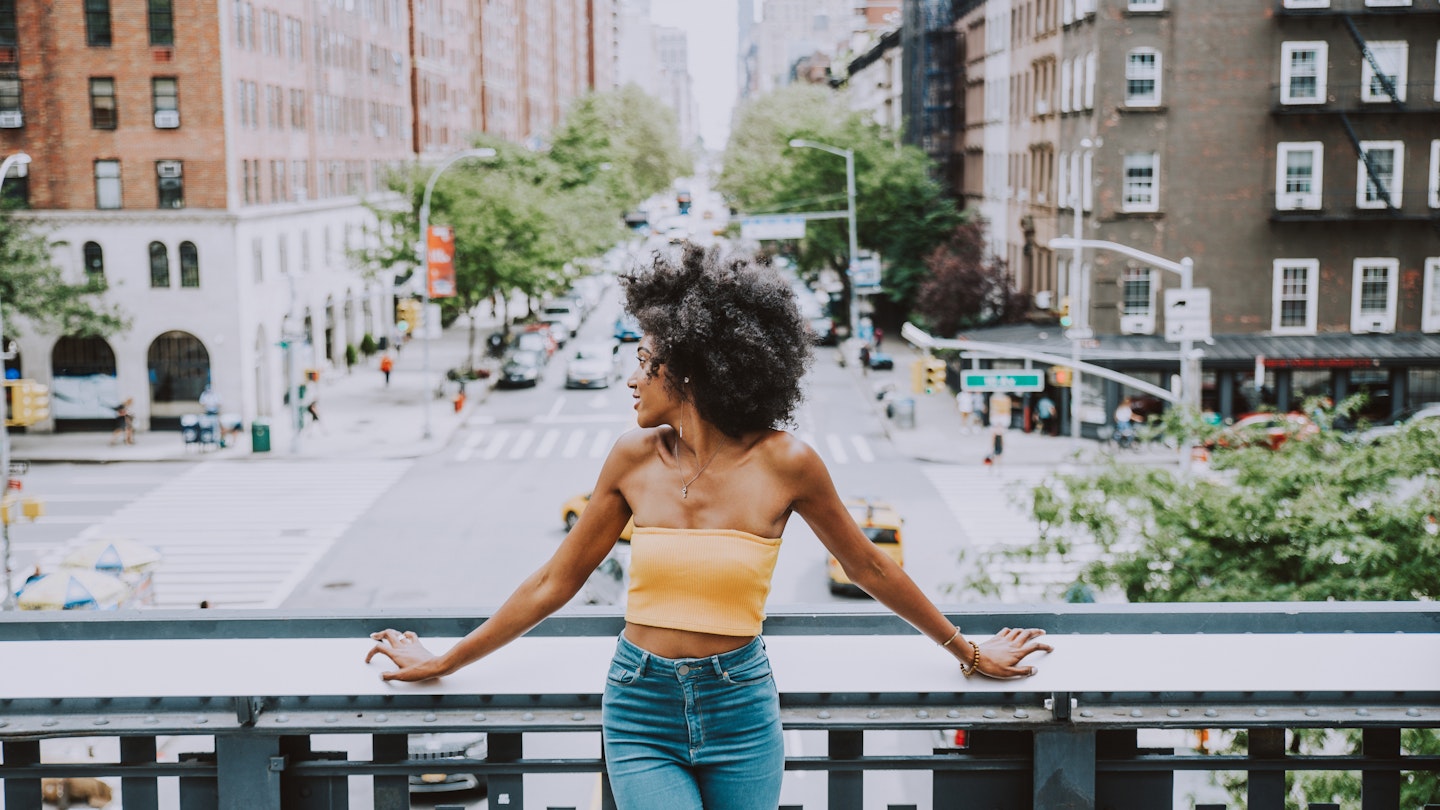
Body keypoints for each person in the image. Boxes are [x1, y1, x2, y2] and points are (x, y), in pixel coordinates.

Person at [365, 245, 1049, 809]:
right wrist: (444, 660)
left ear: (688, 369)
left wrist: (969, 653)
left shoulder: (787, 463)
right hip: (641, 707)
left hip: (741, 709)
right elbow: (553, 581)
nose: (631, 379)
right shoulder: (631, 459)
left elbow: (871, 568)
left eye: (643, 361)